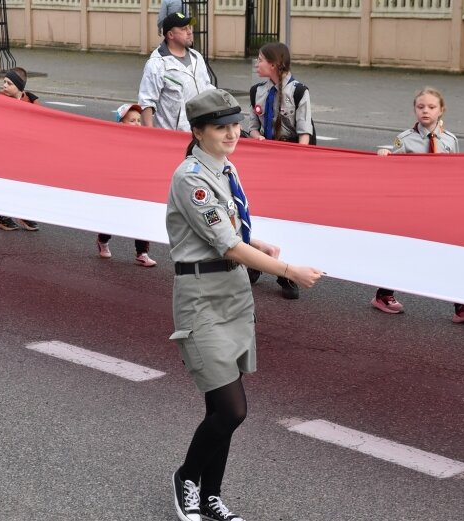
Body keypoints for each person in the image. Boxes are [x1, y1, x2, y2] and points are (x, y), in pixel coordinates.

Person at [167, 89, 322, 521]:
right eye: (221, 127)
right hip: (201, 300)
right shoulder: (190, 177)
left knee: (220, 411)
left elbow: (230, 230)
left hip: (234, 296)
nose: (232, 132)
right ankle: (186, 480)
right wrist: (289, 270)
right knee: (234, 410)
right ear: (198, 132)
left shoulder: (225, 167)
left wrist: (257, 241)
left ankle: (212, 495)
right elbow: (226, 245)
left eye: (235, 123)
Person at [372, 87, 464, 324]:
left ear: (441, 110)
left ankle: (462, 305)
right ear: (414, 110)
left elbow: (455, 173)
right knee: (404, 250)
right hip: (412, 205)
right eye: (420, 107)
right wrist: (385, 154)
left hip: (440, 206)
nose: (425, 110)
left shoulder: (450, 140)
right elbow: (391, 166)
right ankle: (383, 295)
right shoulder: (405, 139)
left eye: (431, 107)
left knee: (451, 252)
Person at [246, 41, 312, 300]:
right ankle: (257, 262)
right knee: (261, 213)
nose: (257, 63)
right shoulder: (257, 91)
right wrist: (255, 135)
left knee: (289, 217)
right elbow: (252, 122)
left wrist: (300, 164)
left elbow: (304, 130)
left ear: (273, 64)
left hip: (291, 161)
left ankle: (287, 274)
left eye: (260, 59)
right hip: (265, 160)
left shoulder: (299, 91)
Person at [95, 103, 157, 267]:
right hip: (118, 189)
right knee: (113, 218)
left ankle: (142, 253)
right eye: (132, 120)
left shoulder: (144, 141)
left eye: (138, 120)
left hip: (138, 188)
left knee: (142, 218)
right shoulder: (114, 141)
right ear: (121, 123)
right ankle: (103, 240)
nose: (137, 123)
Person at [138, 12, 214, 132]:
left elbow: (206, 88)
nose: (189, 32)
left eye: (189, 27)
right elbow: (146, 103)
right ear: (170, 34)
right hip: (172, 138)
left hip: (200, 133)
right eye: (184, 29)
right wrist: (149, 137)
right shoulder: (157, 64)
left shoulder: (197, 57)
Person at [0, 67, 41, 232]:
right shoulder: (0, 100)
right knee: (7, 183)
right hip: (6, 150)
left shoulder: (32, 102)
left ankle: (24, 213)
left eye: (9, 83)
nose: (4, 85)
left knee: (26, 182)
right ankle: (3, 217)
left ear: (19, 87)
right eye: (4, 82)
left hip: (25, 151)